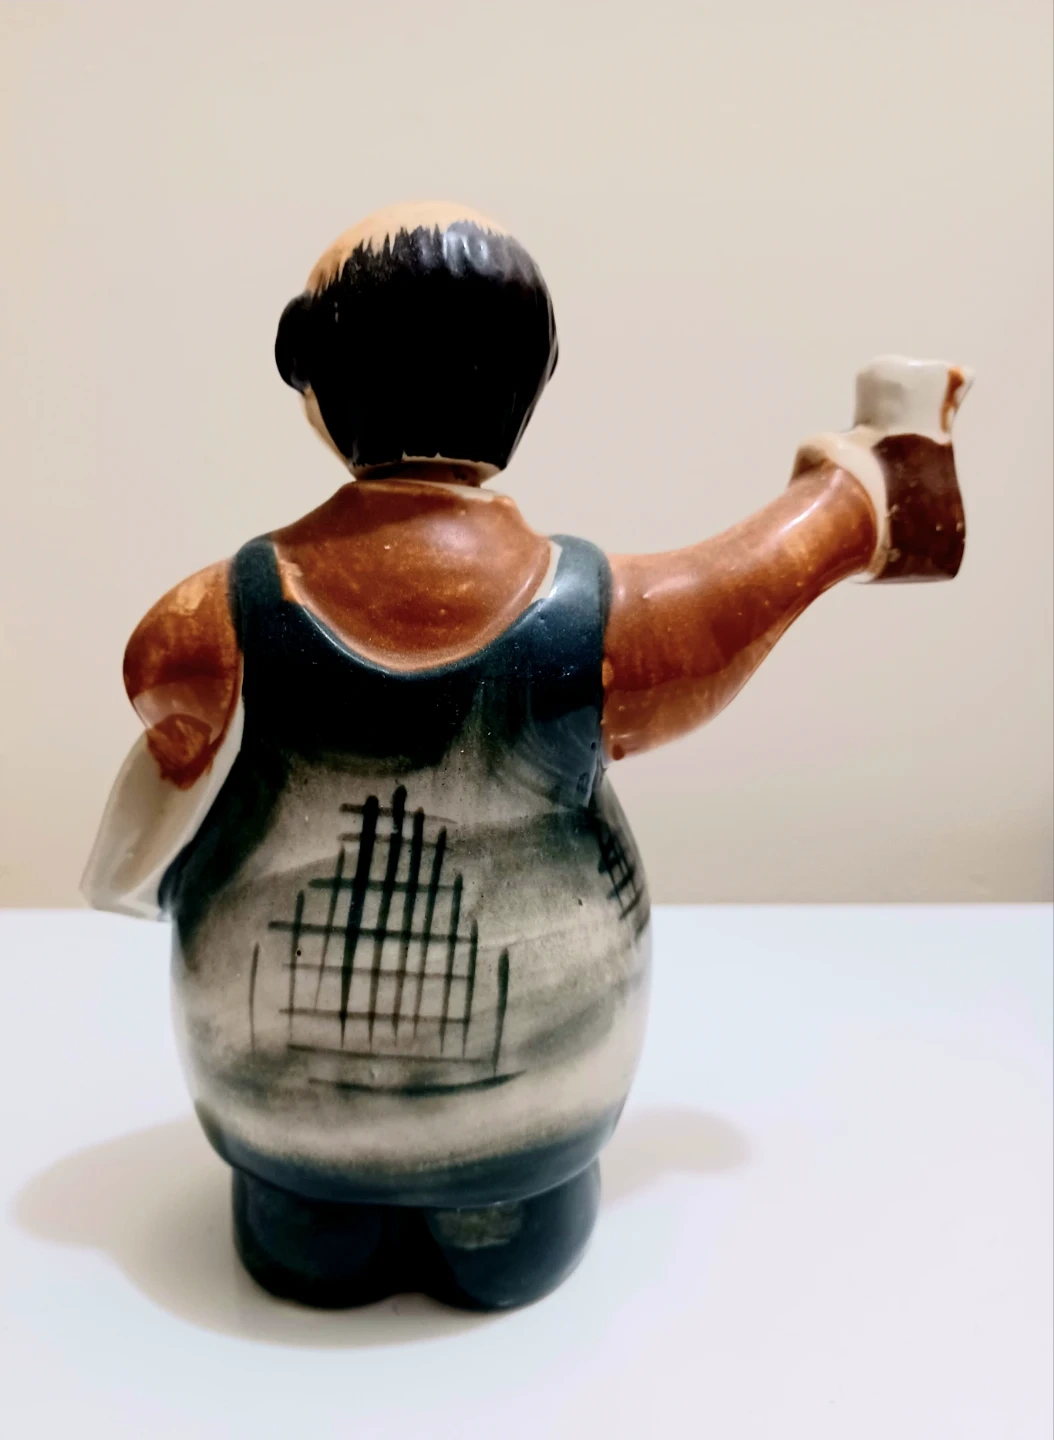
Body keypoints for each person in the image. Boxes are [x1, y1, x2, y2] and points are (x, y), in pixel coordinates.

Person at [84, 201, 966, 1310]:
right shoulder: (593, 618)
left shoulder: (220, 616)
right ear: (533, 379)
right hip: (541, 1091)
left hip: (275, 1105)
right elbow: (735, 593)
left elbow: (154, 679)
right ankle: (492, 1237)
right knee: (509, 1247)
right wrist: (848, 500)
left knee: (306, 1245)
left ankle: (320, 1230)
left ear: (307, 375)